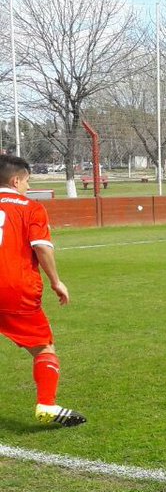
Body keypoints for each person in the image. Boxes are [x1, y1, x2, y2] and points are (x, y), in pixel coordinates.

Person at [0, 154, 86, 427]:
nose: (28, 186)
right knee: (44, 348)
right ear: (16, 180)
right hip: (15, 288)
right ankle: (47, 405)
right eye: (27, 181)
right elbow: (42, 246)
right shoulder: (31, 208)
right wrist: (56, 281)